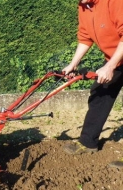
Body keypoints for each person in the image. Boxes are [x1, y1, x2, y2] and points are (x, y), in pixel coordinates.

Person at [62, 0, 123, 169]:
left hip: (116, 58)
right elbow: (85, 37)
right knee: (100, 93)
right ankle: (88, 143)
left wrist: (110, 66)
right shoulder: (84, 6)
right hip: (117, 58)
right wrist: (73, 64)